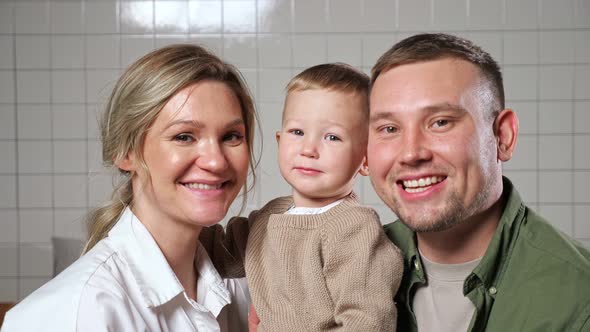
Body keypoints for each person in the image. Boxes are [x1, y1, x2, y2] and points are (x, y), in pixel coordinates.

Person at [2, 44, 259, 331]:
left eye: (231, 136)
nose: (215, 161)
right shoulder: (72, 310)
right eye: (184, 136)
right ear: (126, 153)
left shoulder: (243, 288)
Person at [368, 33, 590, 331]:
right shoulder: (348, 267)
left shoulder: (579, 300)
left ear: (503, 136)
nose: (410, 153)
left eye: (440, 122)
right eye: (389, 128)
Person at [203, 63, 403, 331]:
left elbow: (367, 321)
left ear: (366, 160)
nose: (308, 149)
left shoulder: (355, 229)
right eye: (297, 132)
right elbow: (217, 251)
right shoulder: (270, 216)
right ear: (279, 141)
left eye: (332, 137)